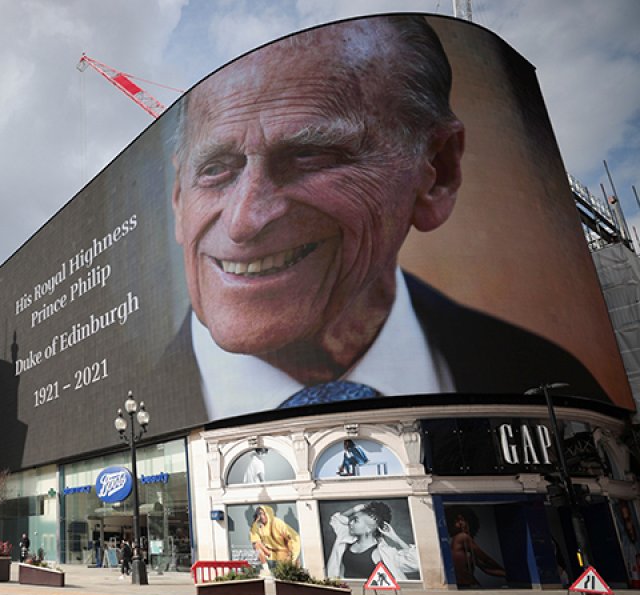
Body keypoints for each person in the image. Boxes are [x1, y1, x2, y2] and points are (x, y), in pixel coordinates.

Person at [164, 16, 607, 420]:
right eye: (215, 169)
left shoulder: (552, 378)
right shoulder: (136, 409)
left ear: (438, 172)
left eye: (309, 155)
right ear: (180, 198)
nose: (244, 221)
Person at [326, 501, 418, 581]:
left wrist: (395, 538)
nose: (350, 522)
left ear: (368, 529)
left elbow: (416, 562)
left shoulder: (383, 552)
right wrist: (354, 509)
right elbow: (337, 520)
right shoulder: (346, 537)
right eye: (352, 519)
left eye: (355, 520)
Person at [446, 505, 505, 588]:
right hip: (467, 585)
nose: (460, 524)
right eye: (455, 521)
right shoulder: (462, 537)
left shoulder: (461, 544)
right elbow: (485, 559)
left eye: (462, 519)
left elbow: (485, 568)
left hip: (468, 584)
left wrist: (506, 574)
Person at [249, 505, 300, 569]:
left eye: (262, 513)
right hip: (270, 554)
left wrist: (290, 554)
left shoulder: (277, 522)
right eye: (259, 514)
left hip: (283, 552)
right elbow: (255, 540)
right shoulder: (258, 527)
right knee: (256, 545)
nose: (261, 516)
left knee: (289, 567)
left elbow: (291, 537)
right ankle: (266, 569)